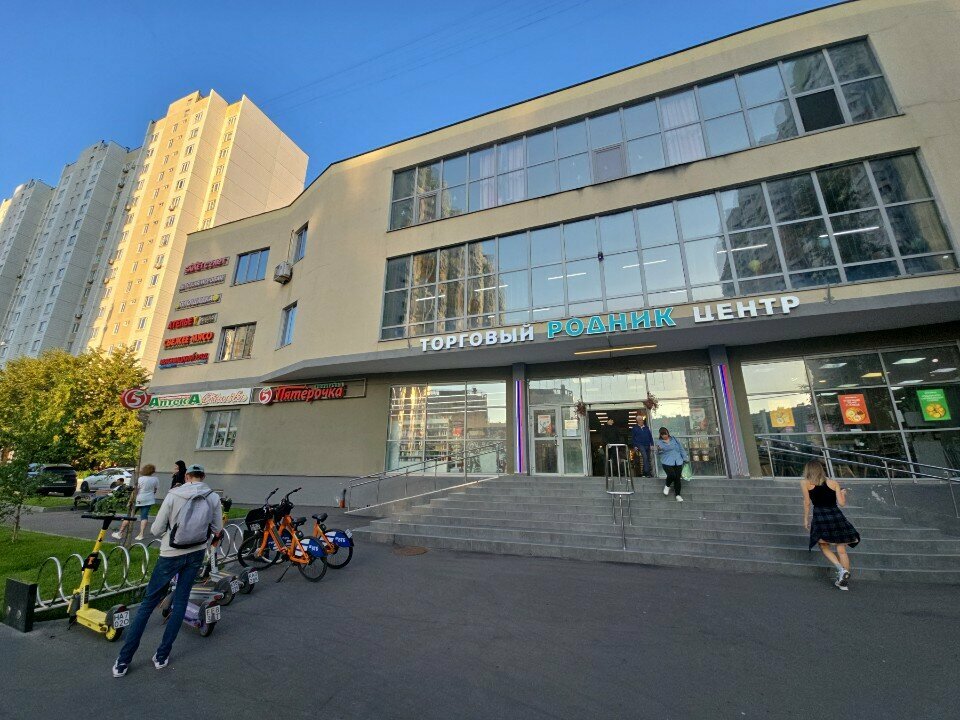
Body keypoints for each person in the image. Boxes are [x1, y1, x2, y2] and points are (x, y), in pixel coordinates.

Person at [113, 464, 222, 677]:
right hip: (196, 552)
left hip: (171, 553)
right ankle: (162, 656)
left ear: (187, 476)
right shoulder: (213, 497)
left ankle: (123, 661)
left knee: (147, 604)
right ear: (204, 476)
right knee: (180, 602)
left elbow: (156, 529)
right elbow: (217, 528)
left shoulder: (174, 494)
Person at [802, 460, 860, 590]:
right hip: (836, 515)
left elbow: (807, 503)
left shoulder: (805, 483)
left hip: (820, 516)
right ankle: (844, 581)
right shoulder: (833, 483)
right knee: (841, 549)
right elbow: (842, 504)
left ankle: (841, 570)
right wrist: (843, 494)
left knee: (823, 545)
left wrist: (805, 519)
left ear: (808, 470)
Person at [112, 464, 159, 541]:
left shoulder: (140, 479)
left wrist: (130, 501)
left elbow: (135, 491)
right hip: (149, 499)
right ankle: (141, 534)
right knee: (144, 516)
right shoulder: (155, 479)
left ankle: (120, 533)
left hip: (139, 499)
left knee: (129, 515)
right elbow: (155, 490)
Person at [655, 427, 688, 502]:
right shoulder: (659, 442)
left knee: (677, 478)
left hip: (678, 461)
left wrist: (685, 458)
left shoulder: (674, 439)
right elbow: (657, 453)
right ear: (660, 435)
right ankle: (667, 486)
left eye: (665, 434)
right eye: (663, 434)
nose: (665, 436)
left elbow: (681, 448)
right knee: (672, 475)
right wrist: (659, 450)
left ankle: (678, 495)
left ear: (668, 433)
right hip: (666, 462)